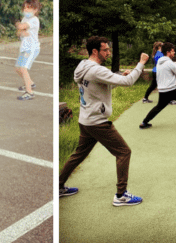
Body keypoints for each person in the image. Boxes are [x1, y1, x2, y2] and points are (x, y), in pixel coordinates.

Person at [60, 37, 149, 206]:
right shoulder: (95, 70)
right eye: (105, 50)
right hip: (97, 122)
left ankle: (58, 186)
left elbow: (99, 85)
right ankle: (121, 195)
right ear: (95, 51)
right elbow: (128, 82)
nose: (109, 52)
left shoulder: (83, 66)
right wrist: (141, 63)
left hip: (85, 120)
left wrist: (117, 77)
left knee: (79, 154)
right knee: (124, 152)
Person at [139, 44, 176, 130]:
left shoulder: (159, 63)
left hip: (163, 91)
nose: (174, 52)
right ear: (168, 52)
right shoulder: (170, 63)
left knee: (159, 106)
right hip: (172, 90)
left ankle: (144, 122)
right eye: (173, 51)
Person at [14, 0, 41, 100]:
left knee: (23, 68)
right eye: (25, 8)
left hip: (32, 48)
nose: (25, 10)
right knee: (17, 68)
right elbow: (19, 32)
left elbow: (21, 27)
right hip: (24, 48)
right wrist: (21, 31)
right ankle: (30, 83)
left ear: (35, 10)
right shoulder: (25, 18)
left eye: (28, 8)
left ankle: (29, 92)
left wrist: (18, 25)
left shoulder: (34, 20)